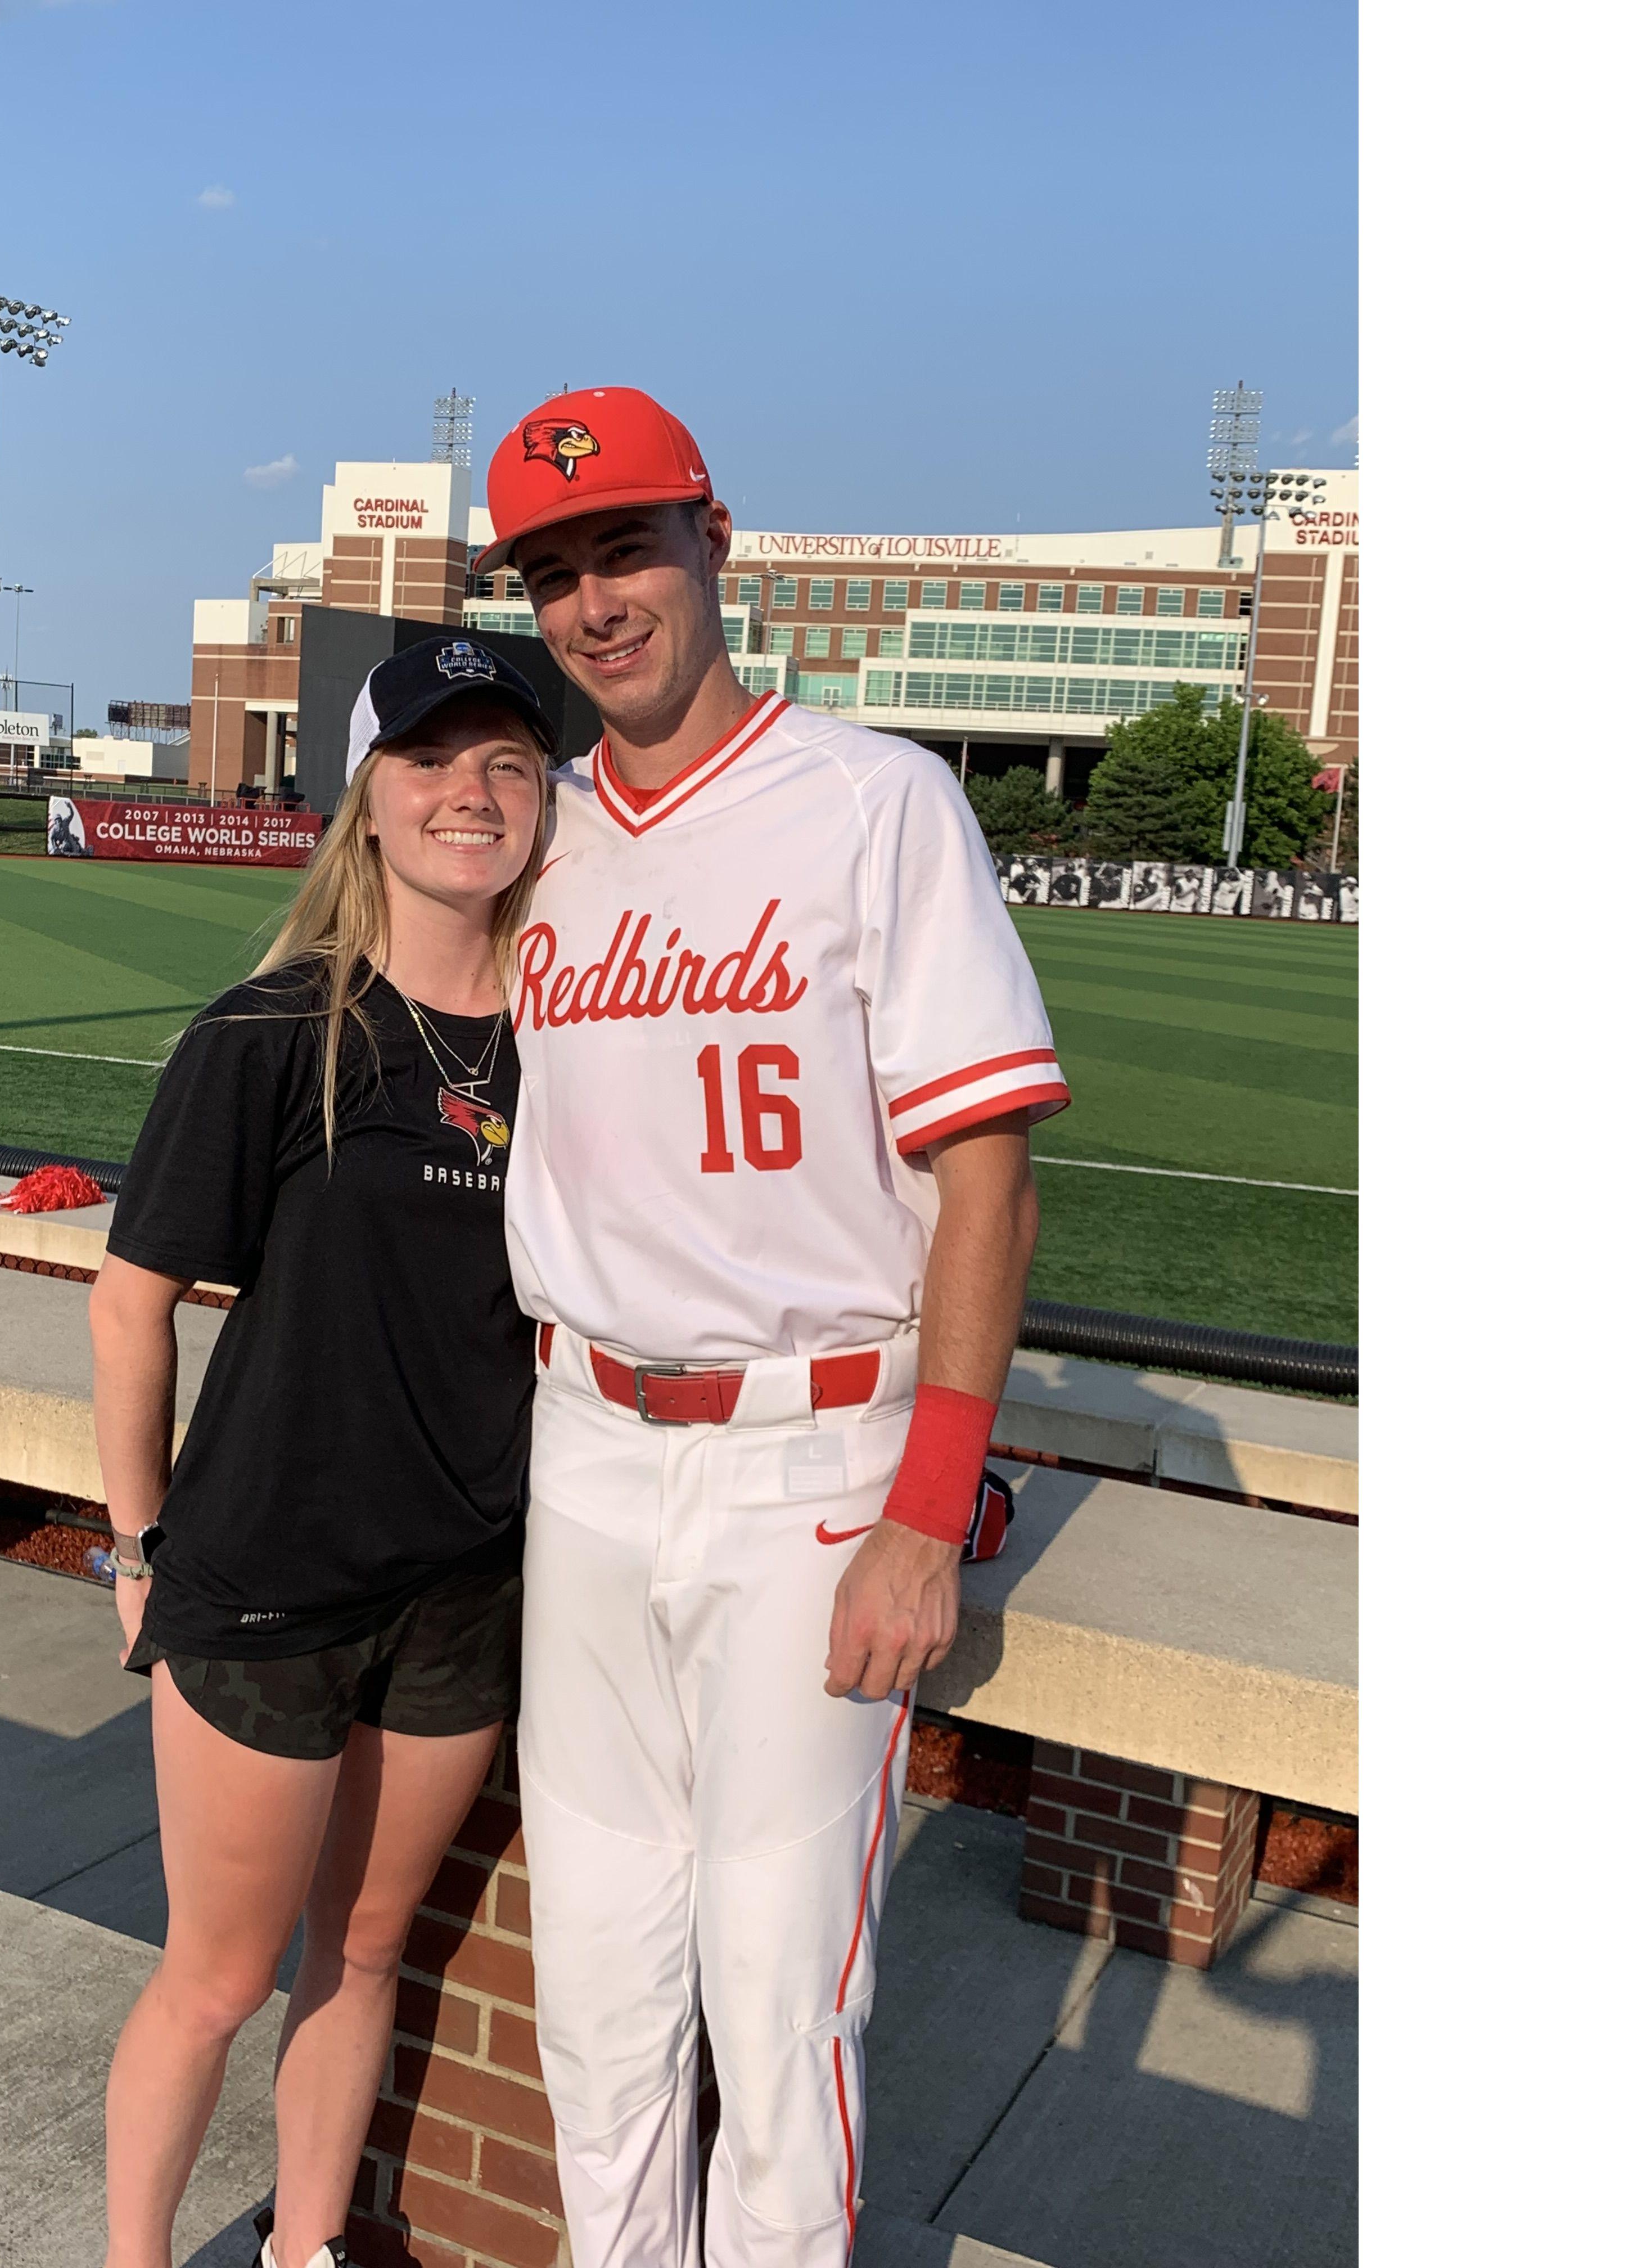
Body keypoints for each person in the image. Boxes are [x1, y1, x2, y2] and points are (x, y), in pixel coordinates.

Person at [476, 388, 1070, 2267]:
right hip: (582, 1450)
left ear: (717, 546)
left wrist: (928, 1505)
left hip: (809, 1468)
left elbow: (987, 1176)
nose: (596, 600)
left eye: (627, 547)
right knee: (596, 1997)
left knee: (778, 2005)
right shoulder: (538, 835)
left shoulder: (880, 798)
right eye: (555, 570)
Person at [87, 636, 556, 2268]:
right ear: (368, 800)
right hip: (268, 1576)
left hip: (463, 1590)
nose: (471, 795)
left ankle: (303, 2252)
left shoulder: (576, 1046)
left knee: (361, 1954)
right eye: (432, 762)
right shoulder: (276, 1029)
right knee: (216, 1976)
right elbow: (130, 1305)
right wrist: (139, 1547)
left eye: (507, 762)